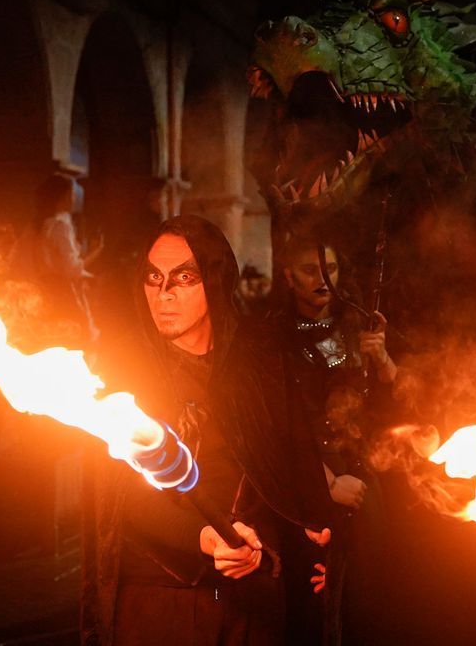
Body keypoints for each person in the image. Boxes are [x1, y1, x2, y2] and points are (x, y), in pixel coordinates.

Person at [81, 215, 333, 646]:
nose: (164, 295)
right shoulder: (119, 371)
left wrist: (314, 536)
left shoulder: (260, 362)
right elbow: (117, 494)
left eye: (183, 277)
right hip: (162, 599)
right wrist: (202, 537)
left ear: (215, 280)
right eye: (153, 278)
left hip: (255, 595)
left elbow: (296, 460)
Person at [273, 235, 397, 644]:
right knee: (311, 611)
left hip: (362, 489)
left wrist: (380, 359)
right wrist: (324, 482)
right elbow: (279, 423)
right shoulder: (274, 336)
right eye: (311, 270)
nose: (324, 280)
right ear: (290, 276)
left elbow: (390, 406)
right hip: (307, 491)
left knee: (367, 606)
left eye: (331, 269)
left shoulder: (353, 326)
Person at [32, 173, 103, 343]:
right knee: (76, 340)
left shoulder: (45, 223)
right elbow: (72, 269)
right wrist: (96, 251)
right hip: (63, 292)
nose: (74, 199)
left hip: (47, 289)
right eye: (72, 194)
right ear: (62, 198)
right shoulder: (60, 226)